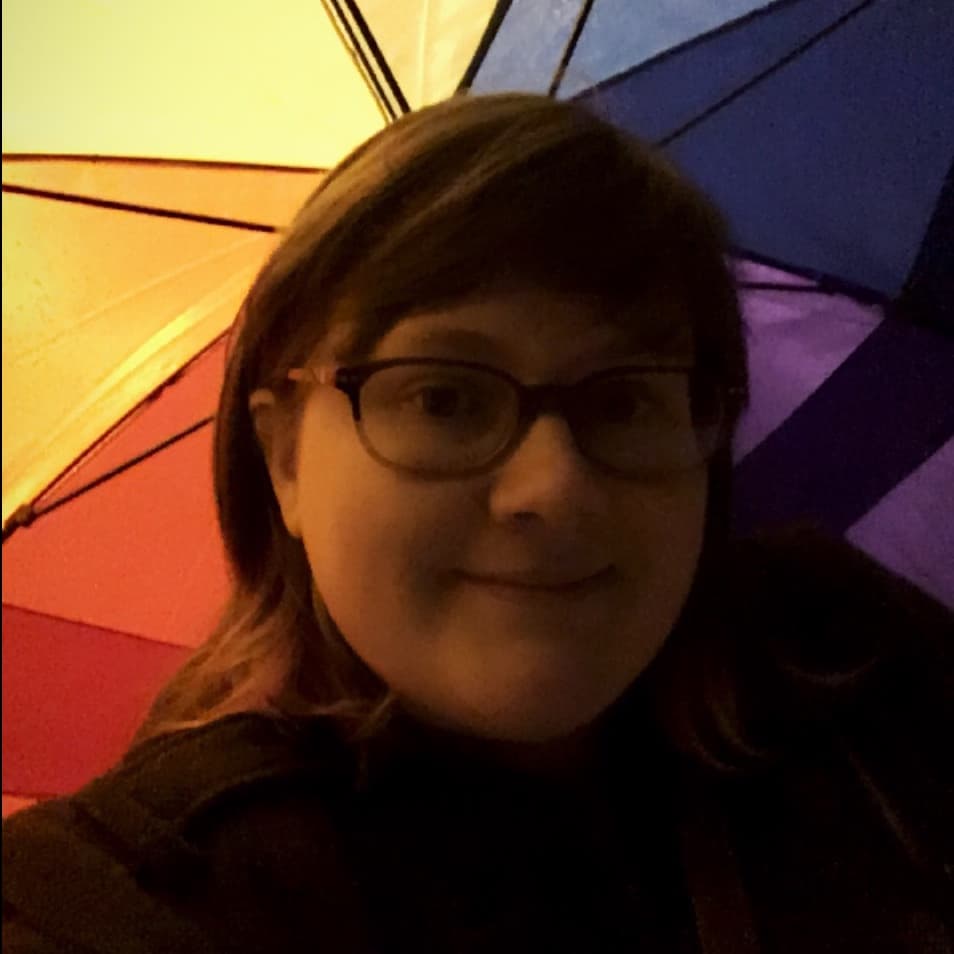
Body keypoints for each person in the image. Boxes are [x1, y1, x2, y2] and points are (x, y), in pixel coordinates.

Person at [3, 93, 952, 954]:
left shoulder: (849, 664)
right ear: (284, 457)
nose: (555, 488)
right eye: (444, 398)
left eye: (625, 398)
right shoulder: (133, 899)